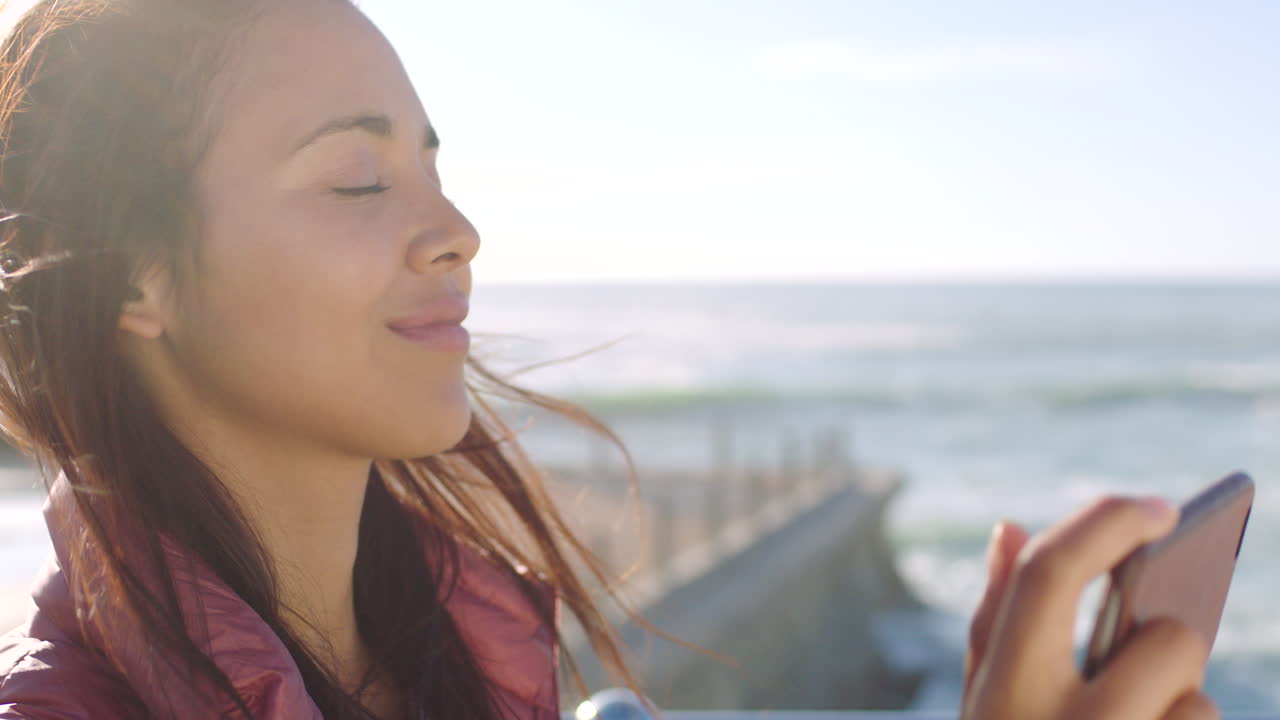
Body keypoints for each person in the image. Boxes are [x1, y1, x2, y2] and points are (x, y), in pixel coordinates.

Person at [0, 1, 1220, 719]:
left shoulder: (463, 642)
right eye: (358, 175)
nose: (457, 232)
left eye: (434, 168)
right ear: (128, 280)